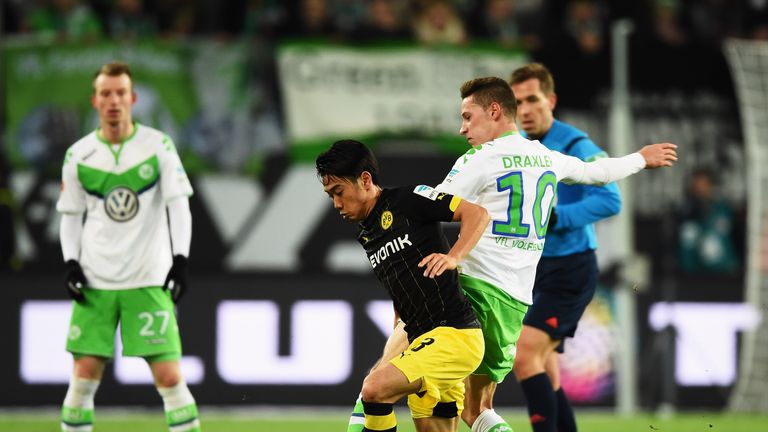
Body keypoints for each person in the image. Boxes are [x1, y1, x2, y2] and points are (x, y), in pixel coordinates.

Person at [432, 76, 677, 432]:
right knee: (489, 401)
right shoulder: (545, 156)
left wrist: (386, 203)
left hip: (482, 288)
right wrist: (639, 158)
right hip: (517, 297)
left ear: (495, 111)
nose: (462, 129)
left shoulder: (483, 157)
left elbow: (432, 205)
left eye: (468, 118)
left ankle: (369, 412)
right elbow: (598, 173)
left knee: (420, 381)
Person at [56, 61, 200, 432]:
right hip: (96, 279)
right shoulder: (78, 154)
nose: (113, 100)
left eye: (120, 93)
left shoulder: (158, 146)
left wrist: (180, 260)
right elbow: (70, 215)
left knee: (169, 377)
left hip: (148, 277)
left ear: (132, 98)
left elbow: (178, 205)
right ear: (95, 101)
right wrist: (71, 263)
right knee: (82, 376)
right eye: (105, 93)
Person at [316, 139, 489, 432]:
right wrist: (400, 319)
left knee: (374, 389)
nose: (336, 204)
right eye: (330, 195)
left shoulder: (409, 199)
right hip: (423, 342)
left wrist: (453, 257)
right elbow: (401, 280)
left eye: (339, 192)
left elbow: (477, 214)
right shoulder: (367, 233)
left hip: (454, 336)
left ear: (365, 180)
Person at [507, 62, 619, 432]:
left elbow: (611, 200)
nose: (525, 110)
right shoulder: (518, 148)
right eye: (517, 102)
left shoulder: (576, 145)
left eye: (532, 100)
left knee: (524, 355)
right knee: (546, 367)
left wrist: (558, 217)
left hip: (570, 268)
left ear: (551, 101)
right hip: (534, 270)